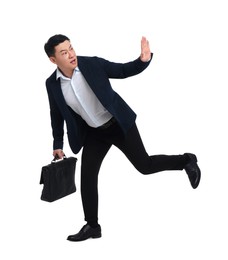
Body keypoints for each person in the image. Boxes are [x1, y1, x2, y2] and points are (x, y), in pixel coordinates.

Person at [44, 34, 201, 242]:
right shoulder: (52, 84)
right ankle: (92, 226)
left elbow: (122, 70)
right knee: (87, 178)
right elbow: (56, 113)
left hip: (118, 124)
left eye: (71, 48)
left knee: (145, 165)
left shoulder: (91, 64)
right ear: (53, 60)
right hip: (94, 133)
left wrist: (143, 60)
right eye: (64, 52)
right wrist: (57, 144)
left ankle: (186, 160)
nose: (71, 54)